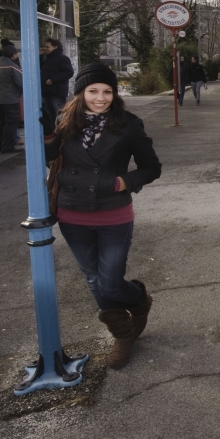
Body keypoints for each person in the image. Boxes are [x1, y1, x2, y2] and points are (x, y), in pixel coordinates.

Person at [45, 63, 161, 369]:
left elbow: (152, 167)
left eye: (107, 91)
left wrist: (124, 182)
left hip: (113, 213)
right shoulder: (64, 121)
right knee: (94, 279)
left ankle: (138, 299)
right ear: (80, 93)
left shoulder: (128, 125)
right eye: (93, 91)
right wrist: (45, 136)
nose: (101, 98)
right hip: (73, 213)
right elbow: (49, 159)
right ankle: (123, 333)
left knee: (109, 283)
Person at [0, 44, 24, 153]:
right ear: (13, 55)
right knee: (11, 122)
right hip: (10, 99)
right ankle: (7, 146)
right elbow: (20, 83)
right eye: (16, 53)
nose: (17, 55)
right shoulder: (13, 67)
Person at [41, 37, 74, 115]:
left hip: (57, 92)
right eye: (45, 47)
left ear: (55, 47)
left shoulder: (62, 58)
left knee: (60, 114)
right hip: (47, 92)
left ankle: (63, 127)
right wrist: (39, 56)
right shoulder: (48, 59)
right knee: (50, 116)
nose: (46, 49)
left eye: (48, 47)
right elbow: (40, 68)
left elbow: (69, 72)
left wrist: (53, 79)